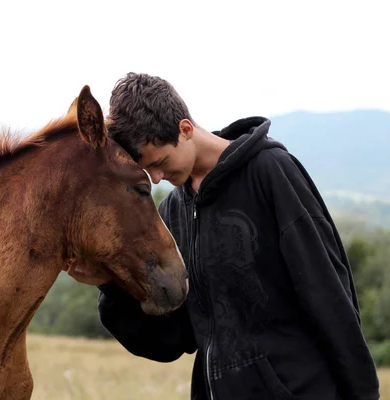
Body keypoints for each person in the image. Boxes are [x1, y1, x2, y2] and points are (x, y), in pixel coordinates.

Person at [65, 72, 380, 400]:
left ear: (185, 130)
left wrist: (362, 393)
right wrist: (109, 285)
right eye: (148, 171)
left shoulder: (271, 172)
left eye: (160, 163)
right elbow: (174, 337)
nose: (157, 179)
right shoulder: (174, 211)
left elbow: (328, 292)